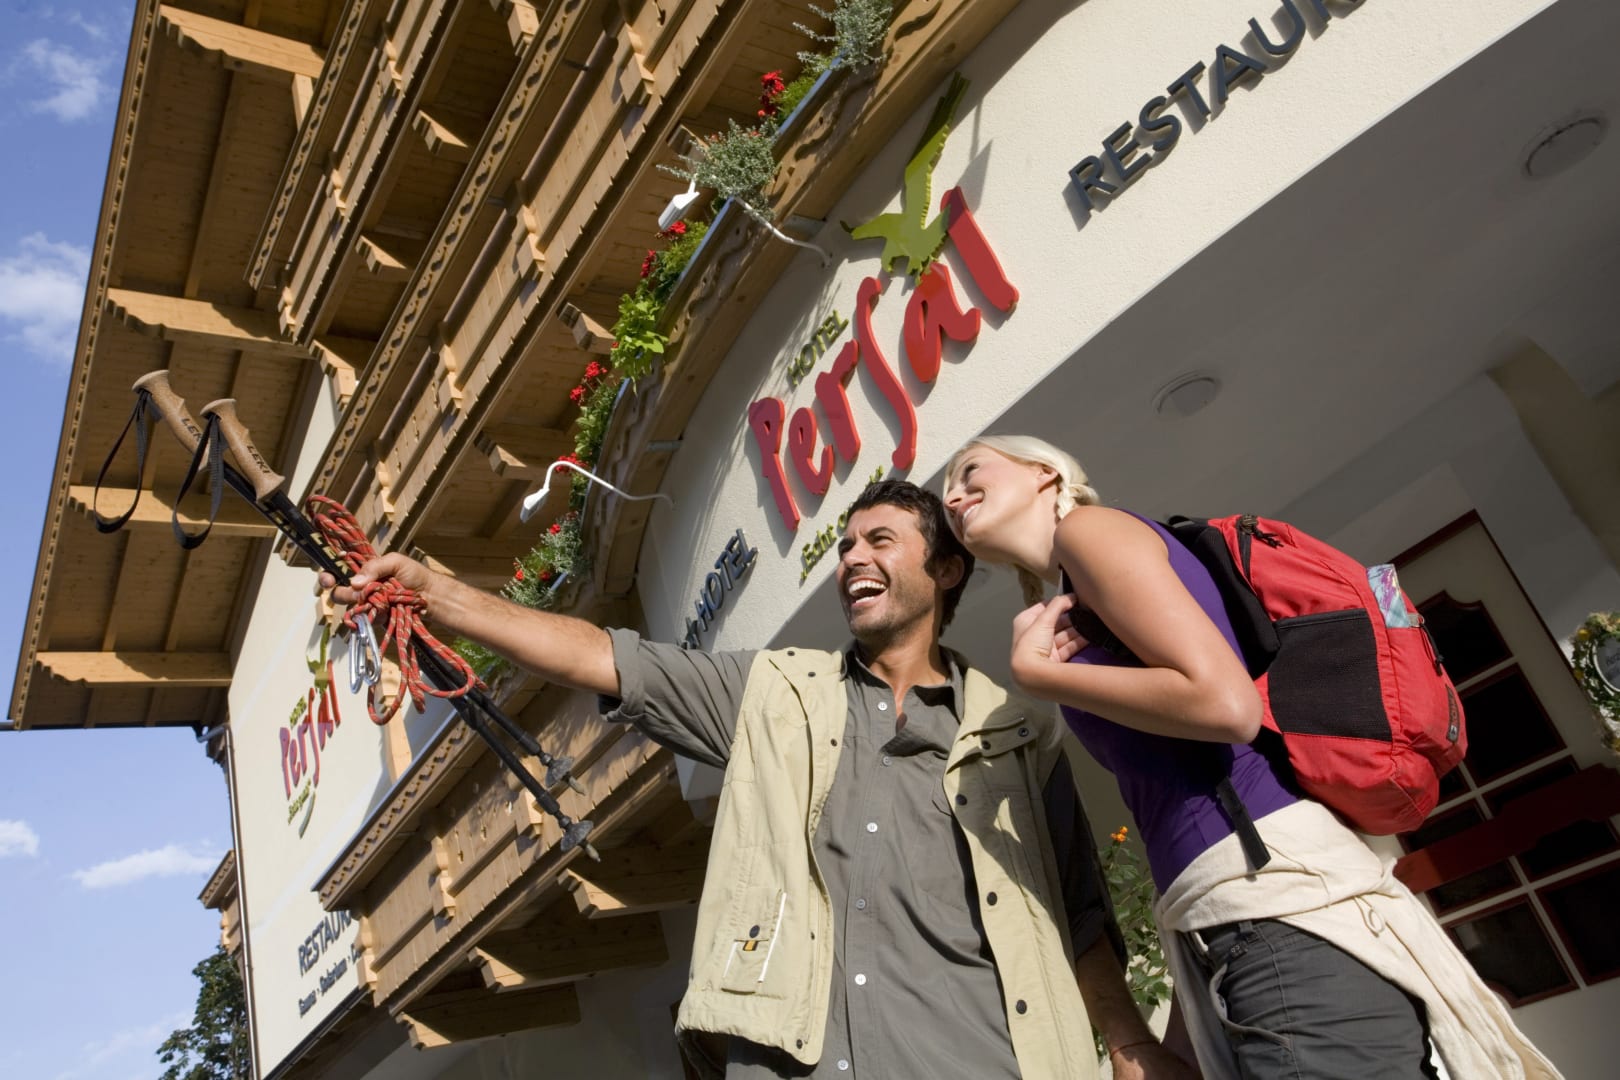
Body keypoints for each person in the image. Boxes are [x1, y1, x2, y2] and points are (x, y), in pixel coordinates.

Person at [324, 480, 1192, 1080]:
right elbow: (601, 657)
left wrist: (1129, 1044)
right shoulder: (773, 692)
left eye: (880, 541)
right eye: (844, 545)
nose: (852, 558)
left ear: (947, 569)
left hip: (975, 1058)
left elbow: (1079, 916)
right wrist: (438, 594)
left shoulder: (1017, 734)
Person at [942, 435, 1563, 1080]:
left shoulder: (1089, 532)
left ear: (1044, 473)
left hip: (1275, 906)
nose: (953, 498)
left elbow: (1227, 706)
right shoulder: (1074, 589)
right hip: (1247, 917)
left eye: (969, 471)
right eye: (947, 492)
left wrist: (1041, 678)